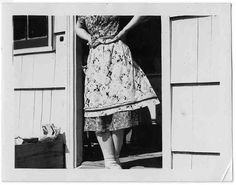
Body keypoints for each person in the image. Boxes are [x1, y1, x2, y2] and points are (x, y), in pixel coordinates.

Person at [75, 16, 160, 169]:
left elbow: (141, 10)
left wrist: (123, 31)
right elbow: (78, 27)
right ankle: (109, 159)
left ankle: (115, 158)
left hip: (118, 55)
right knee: (98, 108)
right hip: (97, 57)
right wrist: (89, 37)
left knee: (120, 108)